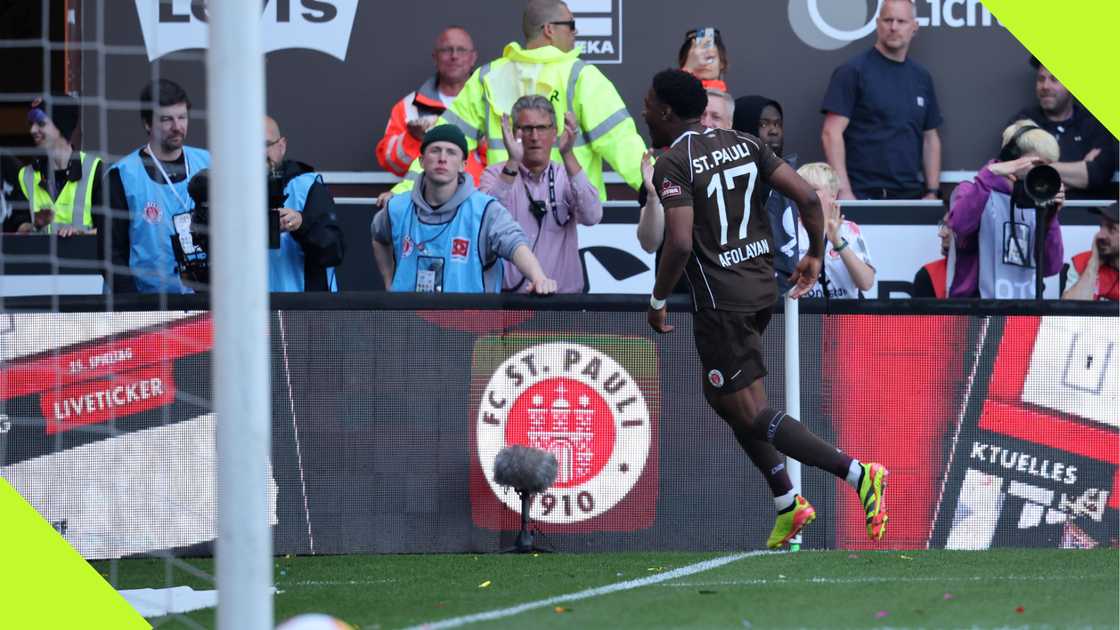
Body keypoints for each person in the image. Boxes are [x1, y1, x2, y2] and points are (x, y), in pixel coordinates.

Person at [643, 69, 888, 549]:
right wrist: (815, 254)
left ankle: (858, 473)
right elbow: (806, 197)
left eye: (650, 104)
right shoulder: (745, 143)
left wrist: (657, 298)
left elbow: (676, 242)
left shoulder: (672, 163)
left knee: (752, 413)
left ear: (667, 112)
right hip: (758, 289)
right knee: (724, 399)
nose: (646, 109)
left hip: (720, 301)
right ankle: (786, 503)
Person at [384, 0, 646, 204]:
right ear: (549, 30)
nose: (575, 32)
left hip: (504, 216)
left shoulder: (489, 76)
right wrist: (666, 192)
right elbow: (623, 145)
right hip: (571, 217)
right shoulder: (581, 77)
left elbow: (443, 143)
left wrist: (403, 193)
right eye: (571, 24)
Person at [371, 124, 557, 294]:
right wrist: (390, 283)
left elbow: (515, 244)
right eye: (435, 151)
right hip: (409, 325)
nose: (442, 158)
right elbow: (378, 236)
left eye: (451, 152)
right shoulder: (397, 208)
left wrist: (539, 278)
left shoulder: (484, 210)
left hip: (469, 326)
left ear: (463, 165)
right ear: (421, 161)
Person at [820, 0, 943, 201]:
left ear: (914, 26)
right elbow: (830, 133)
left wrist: (932, 191)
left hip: (910, 196)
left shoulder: (922, 77)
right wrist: (844, 191)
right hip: (862, 194)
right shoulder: (853, 72)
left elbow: (931, 138)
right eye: (888, 20)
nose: (893, 27)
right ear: (878, 23)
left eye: (901, 21)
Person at [479, 95, 601, 293]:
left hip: (561, 302)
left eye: (542, 128)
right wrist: (513, 162)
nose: (534, 137)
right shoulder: (495, 174)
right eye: (526, 129)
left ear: (554, 133)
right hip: (507, 303)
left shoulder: (565, 174)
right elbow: (484, 224)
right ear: (513, 133)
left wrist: (568, 154)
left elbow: (592, 216)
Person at [108, 79, 210, 294]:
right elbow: (111, 252)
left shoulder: (209, 163)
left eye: (182, 117)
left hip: (205, 300)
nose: (177, 127)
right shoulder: (123, 175)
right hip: (148, 303)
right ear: (147, 123)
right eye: (166, 119)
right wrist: (133, 305)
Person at [947, 120, 1064, 299]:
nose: (1044, 174)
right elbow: (959, 227)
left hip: (1024, 315)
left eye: (1048, 167)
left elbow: (1050, 268)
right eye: (1038, 165)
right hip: (976, 315)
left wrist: (1050, 217)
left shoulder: (1038, 199)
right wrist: (990, 174)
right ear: (1012, 158)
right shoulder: (971, 189)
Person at [375, 26, 486, 182]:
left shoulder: (491, 104)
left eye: (461, 50)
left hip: (478, 201)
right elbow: (391, 164)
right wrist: (412, 139)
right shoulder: (410, 107)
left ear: (473, 58)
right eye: (447, 50)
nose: (454, 56)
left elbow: (510, 162)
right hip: (427, 202)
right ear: (435, 57)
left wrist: (482, 143)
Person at [1008, 57, 1118, 200]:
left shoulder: (1094, 125)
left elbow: (1097, 175)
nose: (1045, 86)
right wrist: (1080, 169)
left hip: (1087, 217)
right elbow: (1015, 169)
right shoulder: (1023, 122)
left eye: (1054, 79)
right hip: (1037, 216)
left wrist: (1039, 172)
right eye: (1041, 79)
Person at [265, 115, 345, 292]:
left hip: (302, 310)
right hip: (250, 310)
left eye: (266, 145)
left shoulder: (307, 186)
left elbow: (334, 250)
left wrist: (301, 224)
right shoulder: (234, 193)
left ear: (282, 145)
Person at [734, 95, 800, 295]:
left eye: (778, 124)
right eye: (764, 124)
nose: (774, 131)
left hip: (784, 292)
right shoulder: (728, 179)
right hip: (740, 292)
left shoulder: (792, 177)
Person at [13, 96, 104, 236]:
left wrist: (81, 234)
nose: (32, 130)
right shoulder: (25, 175)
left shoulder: (95, 169)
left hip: (82, 256)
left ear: (61, 126)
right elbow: (17, 227)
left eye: (41, 123)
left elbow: (110, 230)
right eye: (31, 124)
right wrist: (34, 225)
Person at [794, 162, 875, 299]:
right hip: (805, 315)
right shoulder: (789, 231)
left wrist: (838, 243)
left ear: (833, 194)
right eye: (800, 189)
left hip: (844, 315)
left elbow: (866, 283)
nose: (805, 194)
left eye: (813, 190)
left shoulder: (849, 229)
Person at [1062, 203, 1118, 301]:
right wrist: (1093, 264)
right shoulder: (1081, 262)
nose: (1100, 235)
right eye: (1101, 226)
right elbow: (1069, 311)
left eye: (1111, 229)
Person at [911, 213, 953, 298]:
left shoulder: (984, 275)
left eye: (949, 226)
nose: (941, 234)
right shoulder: (927, 275)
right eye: (943, 225)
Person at [679, 27, 728, 92]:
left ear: (722, 63)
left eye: (710, 58)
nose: (702, 63)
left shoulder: (735, 101)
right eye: (696, 57)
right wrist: (687, 70)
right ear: (684, 62)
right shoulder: (669, 96)